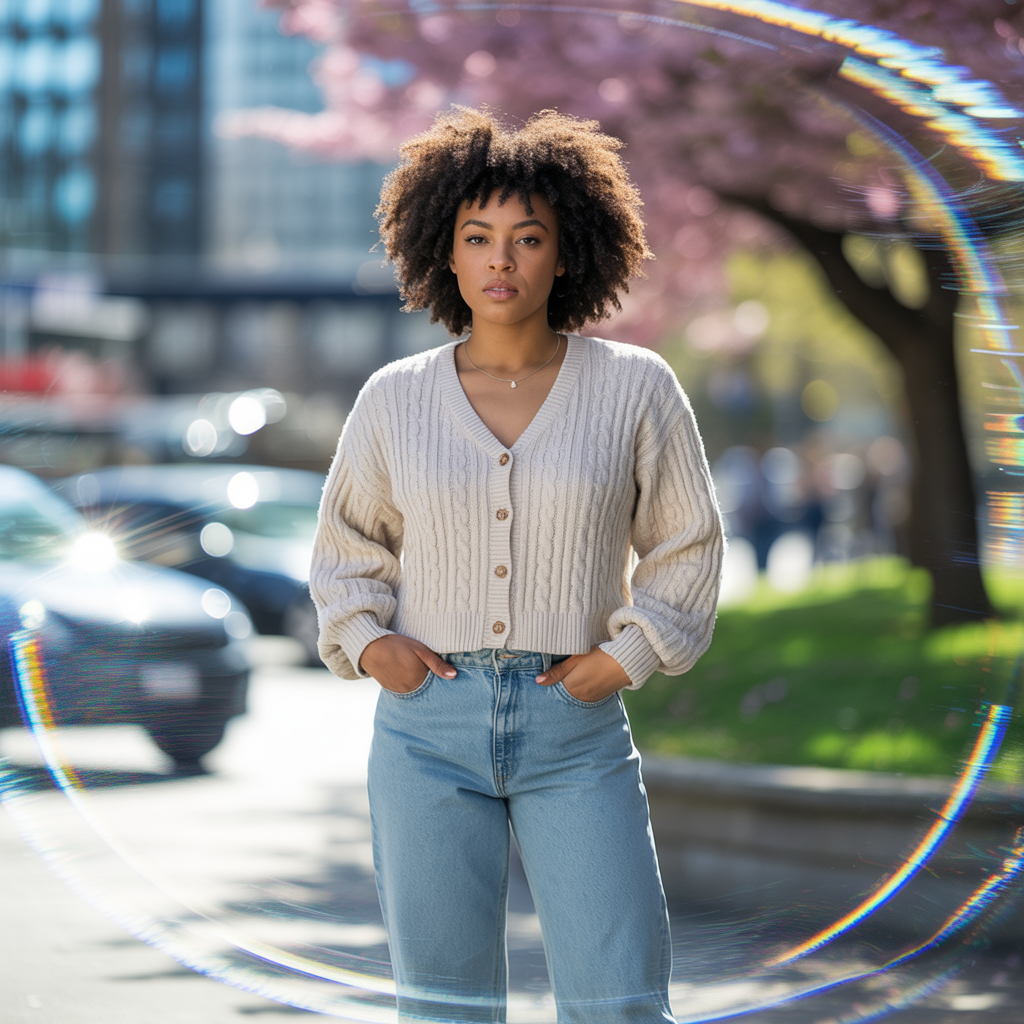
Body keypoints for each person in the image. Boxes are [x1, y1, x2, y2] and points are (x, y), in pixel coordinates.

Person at [310, 106, 724, 1024]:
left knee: (617, 1004)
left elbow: (687, 545)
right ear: (444, 255)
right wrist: (372, 646)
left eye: (528, 238)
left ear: (567, 252)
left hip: (574, 731)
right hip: (426, 733)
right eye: (478, 237)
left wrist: (627, 656)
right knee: (443, 1010)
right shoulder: (394, 400)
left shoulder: (635, 387)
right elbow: (347, 552)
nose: (502, 259)